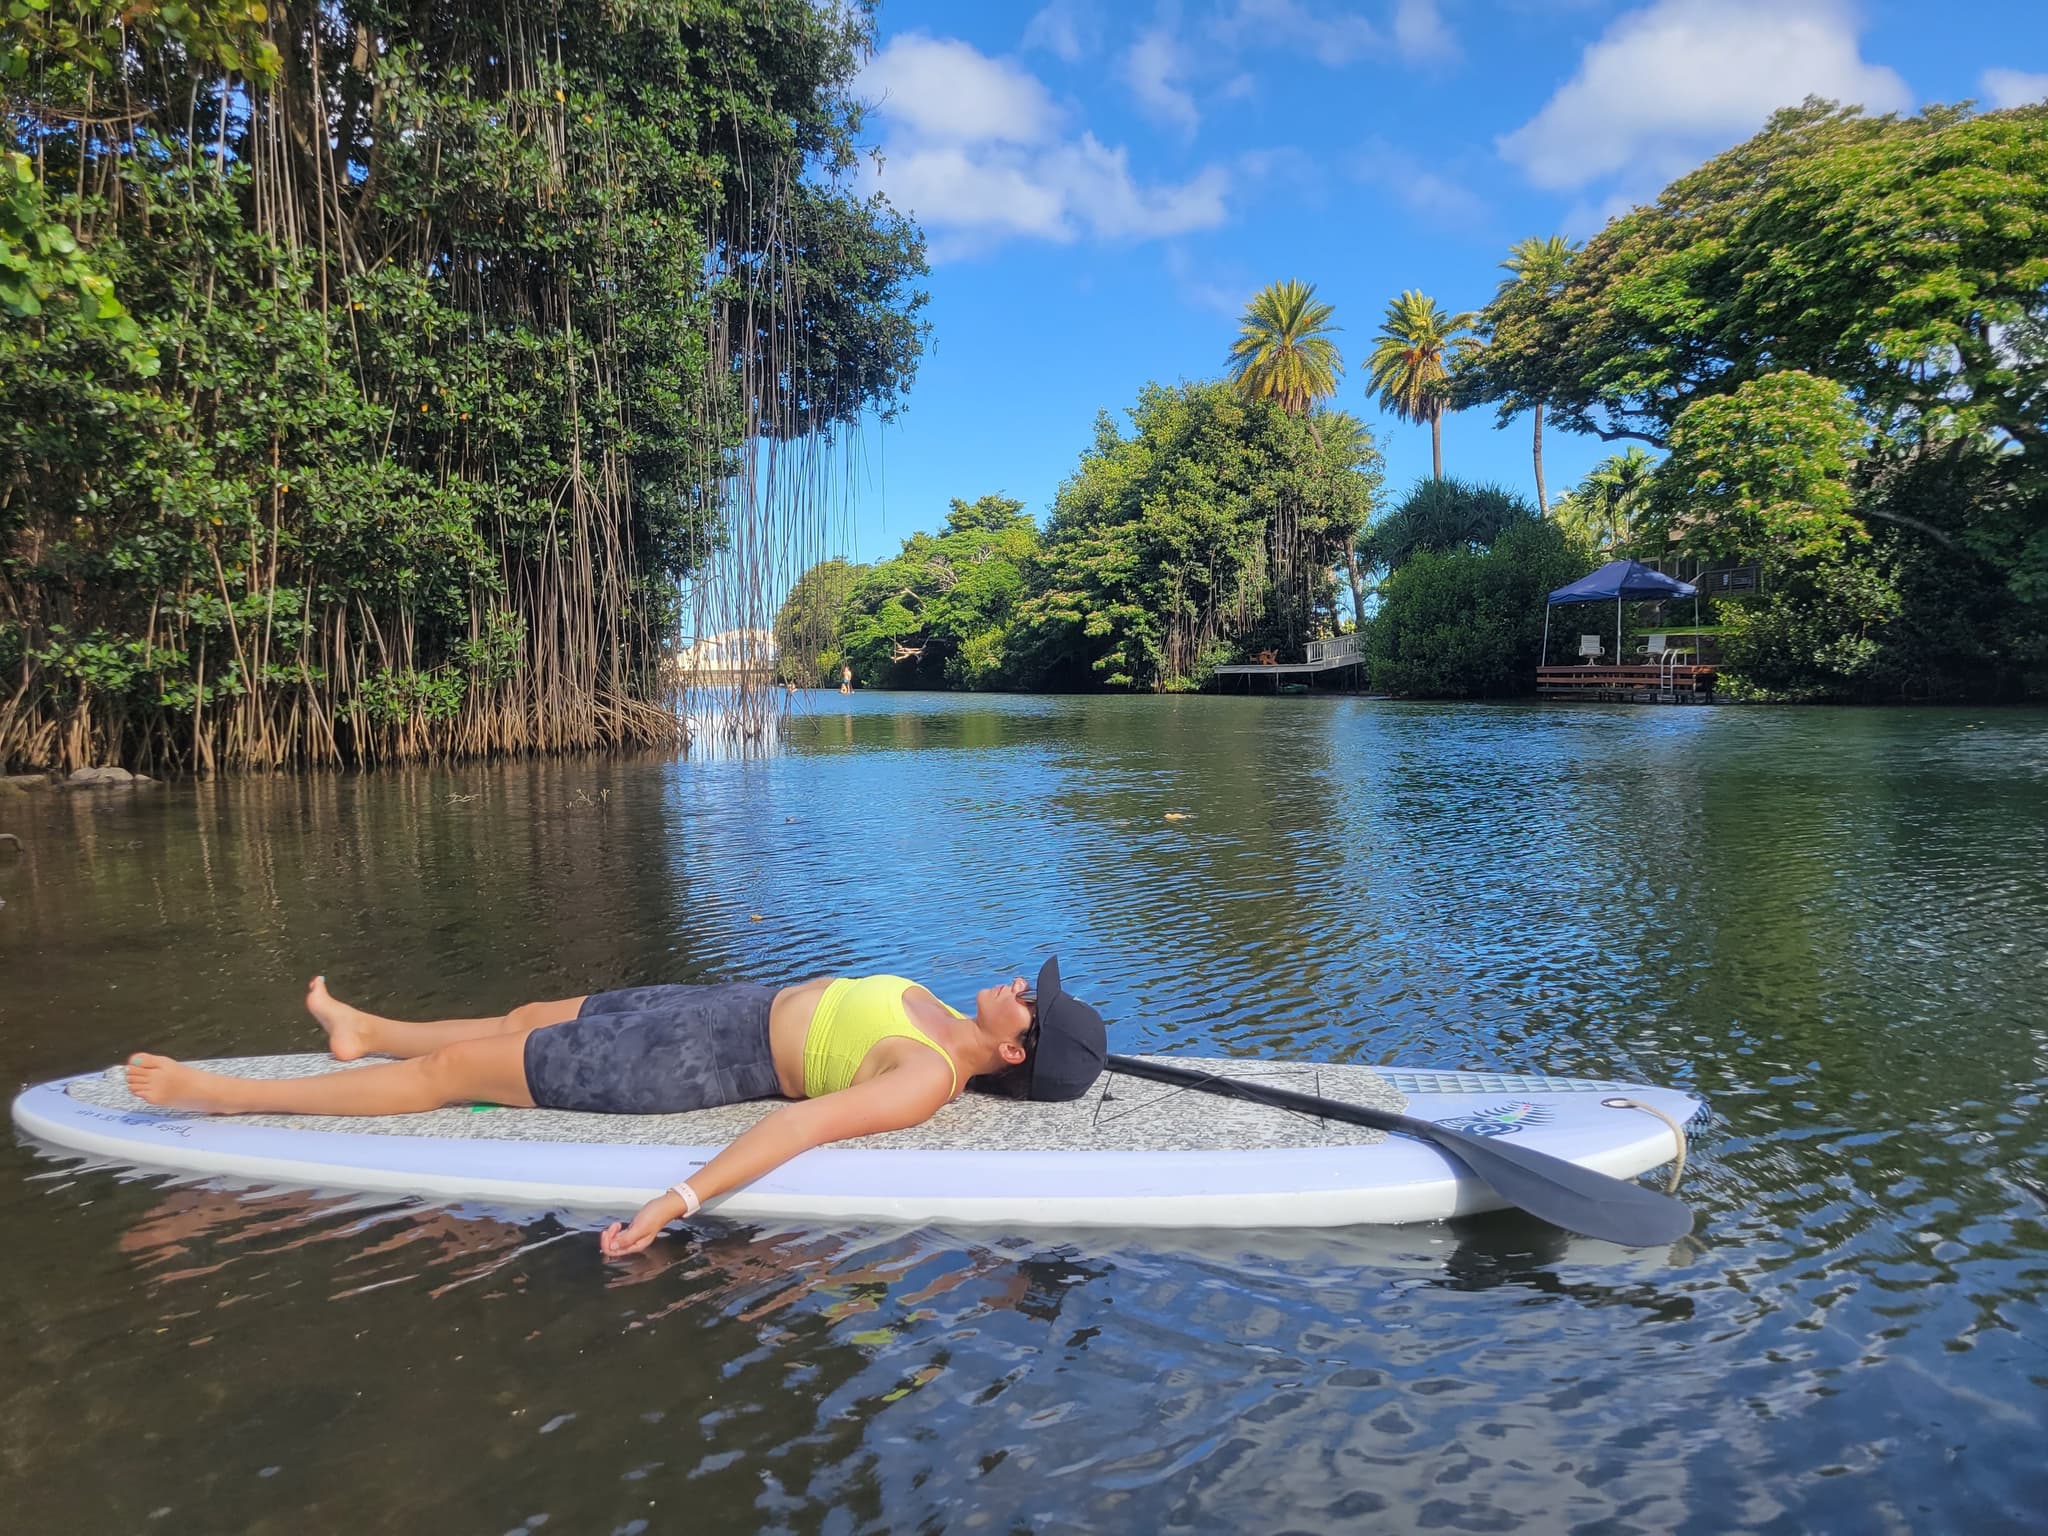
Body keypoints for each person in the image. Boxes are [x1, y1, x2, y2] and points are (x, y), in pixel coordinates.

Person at [123, 957, 1107, 1257]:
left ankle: (223, 1096)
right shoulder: (940, 1009)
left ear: (1014, 1048)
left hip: (684, 1062)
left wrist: (676, 1200)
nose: (1021, 980)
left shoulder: (923, 1075)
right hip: (719, 1007)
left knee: (461, 1072)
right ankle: (365, 1031)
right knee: (524, 1009)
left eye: (1032, 998)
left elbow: (797, 1124)